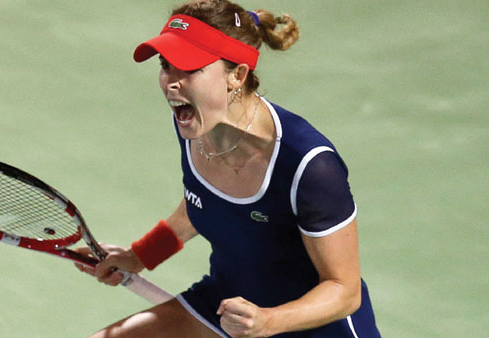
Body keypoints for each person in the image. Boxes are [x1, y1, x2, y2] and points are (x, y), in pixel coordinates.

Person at [75, 0, 381, 337]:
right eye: (166, 64)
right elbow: (203, 202)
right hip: (224, 306)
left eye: (189, 68)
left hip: (311, 328)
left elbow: (344, 290)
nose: (171, 83)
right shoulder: (193, 126)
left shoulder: (308, 165)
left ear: (236, 75)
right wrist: (140, 255)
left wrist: (267, 322)